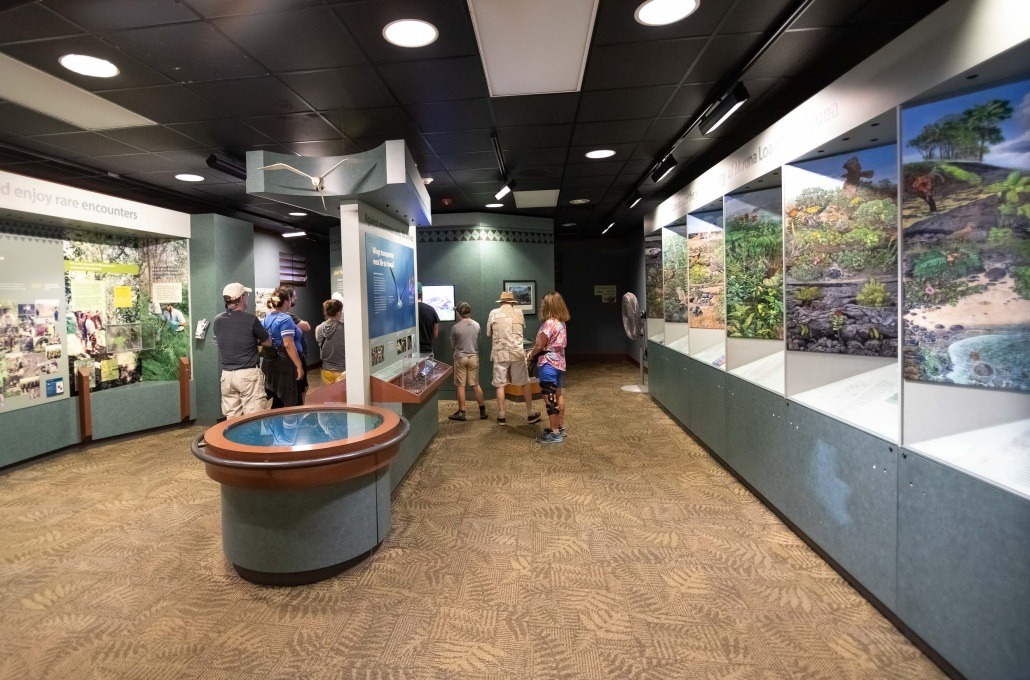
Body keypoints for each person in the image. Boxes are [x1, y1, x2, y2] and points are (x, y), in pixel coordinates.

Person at [212, 283, 271, 419]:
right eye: (246, 295)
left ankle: (232, 441)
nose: (247, 298)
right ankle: (251, 441)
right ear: (241, 298)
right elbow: (268, 342)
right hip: (248, 374)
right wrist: (255, 340)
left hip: (227, 376)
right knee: (253, 417)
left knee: (232, 419)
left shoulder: (218, 320)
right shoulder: (251, 319)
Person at [486, 290, 541, 426]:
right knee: (524, 383)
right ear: (512, 302)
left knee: (500, 385)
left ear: (501, 301)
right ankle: (530, 413)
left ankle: (502, 416)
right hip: (517, 352)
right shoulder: (519, 313)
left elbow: (488, 333)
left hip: (500, 354)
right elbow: (522, 330)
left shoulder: (493, 313)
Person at [531, 291, 570, 444]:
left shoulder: (548, 324)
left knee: (549, 399)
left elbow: (540, 345)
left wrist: (531, 354)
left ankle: (554, 433)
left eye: (543, 304)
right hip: (559, 362)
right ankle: (559, 427)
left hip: (548, 363)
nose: (541, 306)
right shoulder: (561, 323)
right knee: (558, 394)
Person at [262, 285, 306, 408]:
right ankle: (289, 427)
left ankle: (277, 426)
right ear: (286, 301)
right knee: (289, 400)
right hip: (286, 365)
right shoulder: (285, 319)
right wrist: (299, 366)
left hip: (271, 364)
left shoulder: (266, 318)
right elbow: (288, 344)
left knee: (278, 399)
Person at [448, 301, 487, 421]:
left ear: (459, 313)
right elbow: (478, 341)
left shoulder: (456, 327)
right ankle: (482, 411)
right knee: (475, 384)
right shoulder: (477, 325)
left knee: (460, 385)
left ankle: (461, 412)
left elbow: (452, 345)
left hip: (460, 357)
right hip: (473, 357)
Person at [315, 298, 346, 385]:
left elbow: (320, 344)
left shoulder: (318, 328)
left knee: (329, 397)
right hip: (343, 371)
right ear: (338, 312)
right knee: (342, 398)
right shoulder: (345, 329)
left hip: (326, 371)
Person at [417, 283, 439, 355]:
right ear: (421, 294)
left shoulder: (407, 311)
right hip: (427, 351)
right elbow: (435, 334)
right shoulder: (431, 310)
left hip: (411, 354)